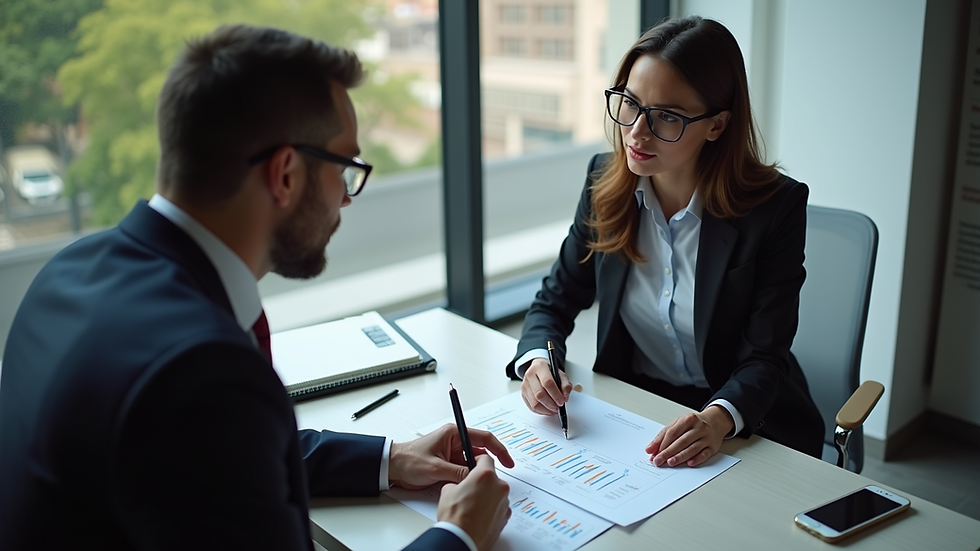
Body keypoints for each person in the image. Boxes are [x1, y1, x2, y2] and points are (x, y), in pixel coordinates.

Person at [0, 25, 512, 551]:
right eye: (345, 168)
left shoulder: (70, 270)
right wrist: (458, 534)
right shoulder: (203, 370)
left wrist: (390, 459)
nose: (347, 198)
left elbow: (209, 457)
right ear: (285, 174)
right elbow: (211, 425)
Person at [508, 16, 824, 468]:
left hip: (742, 420)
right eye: (630, 104)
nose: (637, 132)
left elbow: (765, 356)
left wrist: (716, 419)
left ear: (717, 125)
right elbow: (554, 301)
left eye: (667, 117)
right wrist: (538, 361)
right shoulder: (604, 182)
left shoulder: (775, 208)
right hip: (638, 407)